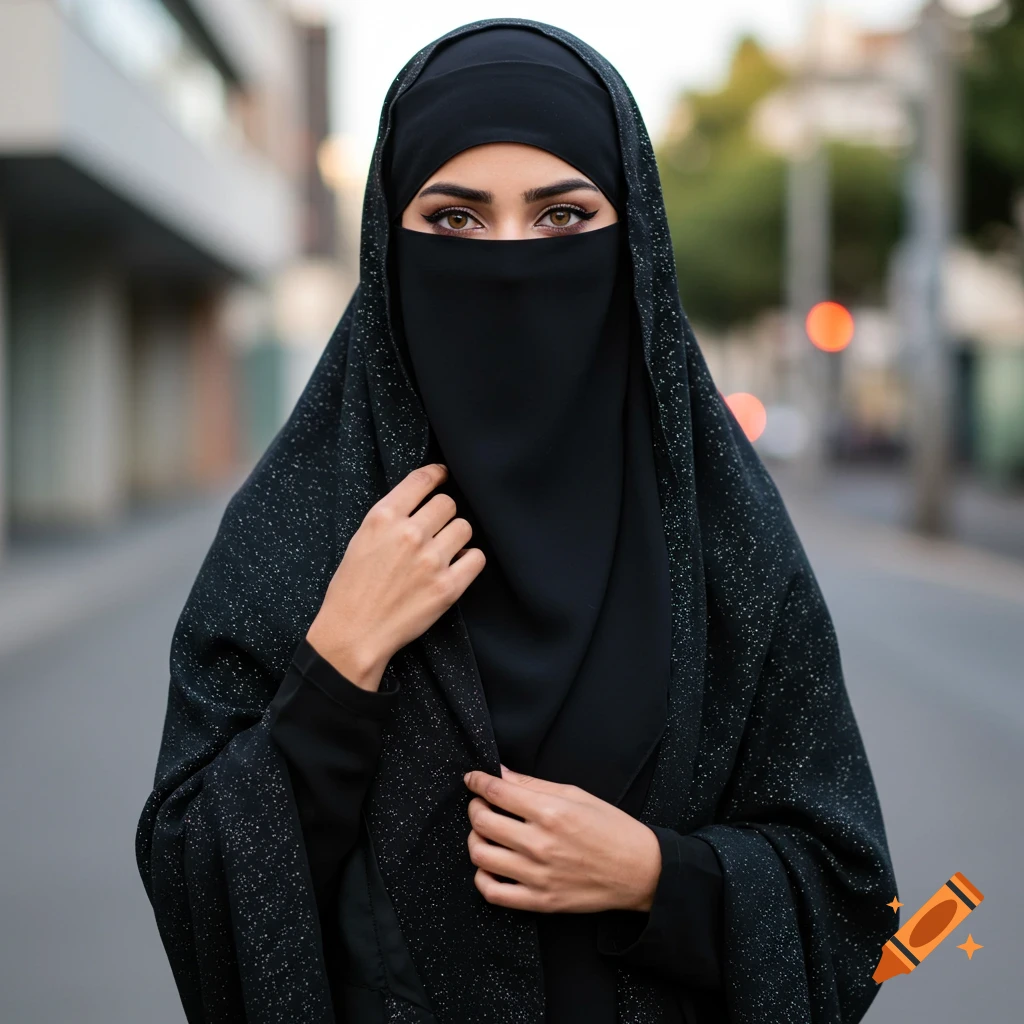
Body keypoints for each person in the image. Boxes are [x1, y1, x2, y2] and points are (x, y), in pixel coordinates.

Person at [136, 19, 897, 1024]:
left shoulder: (722, 539)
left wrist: (656, 876)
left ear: (633, 246)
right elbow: (193, 883)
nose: (507, 261)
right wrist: (338, 664)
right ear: (387, 250)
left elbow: (851, 904)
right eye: (453, 219)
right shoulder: (311, 523)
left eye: (561, 216)